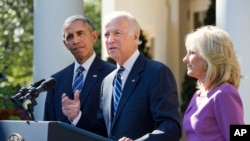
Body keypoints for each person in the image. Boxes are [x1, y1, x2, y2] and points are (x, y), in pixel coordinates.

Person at [98, 11, 181, 141]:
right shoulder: (107, 82)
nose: (110, 40)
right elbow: (102, 130)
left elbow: (170, 127)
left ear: (135, 36)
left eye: (117, 33)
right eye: (106, 34)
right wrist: (77, 117)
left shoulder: (157, 73)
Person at [43, 15, 115, 137]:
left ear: (94, 36)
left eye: (80, 33)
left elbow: (112, 127)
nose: (75, 40)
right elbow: (49, 126)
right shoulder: (56, 80)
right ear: (66, 44)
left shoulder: (113, 74)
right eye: (70, 37)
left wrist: (77, 117)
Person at [182, 25, 245, 141]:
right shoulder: (198, 94)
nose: (185, 59)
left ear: (208, 58)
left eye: (191, 53)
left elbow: (240, 137)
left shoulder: (225, 94)